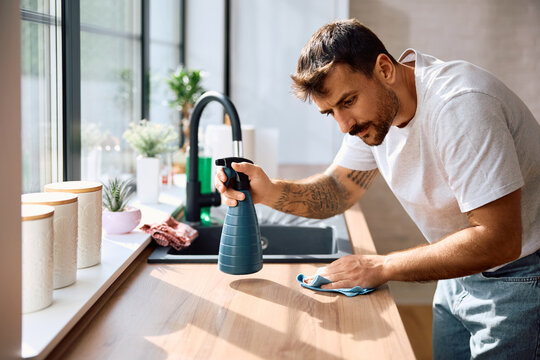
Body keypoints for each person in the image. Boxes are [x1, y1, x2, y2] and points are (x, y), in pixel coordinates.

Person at [215, 19, 540, 359]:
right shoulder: (373, 117)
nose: (345, 125)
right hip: (459, 271)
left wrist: (380, 267)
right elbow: (338, 190)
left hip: (520, 278)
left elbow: (499, 240)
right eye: (331, 113)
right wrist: (267, 191)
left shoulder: (459, 106)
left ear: (384, 69)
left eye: (348, 101)